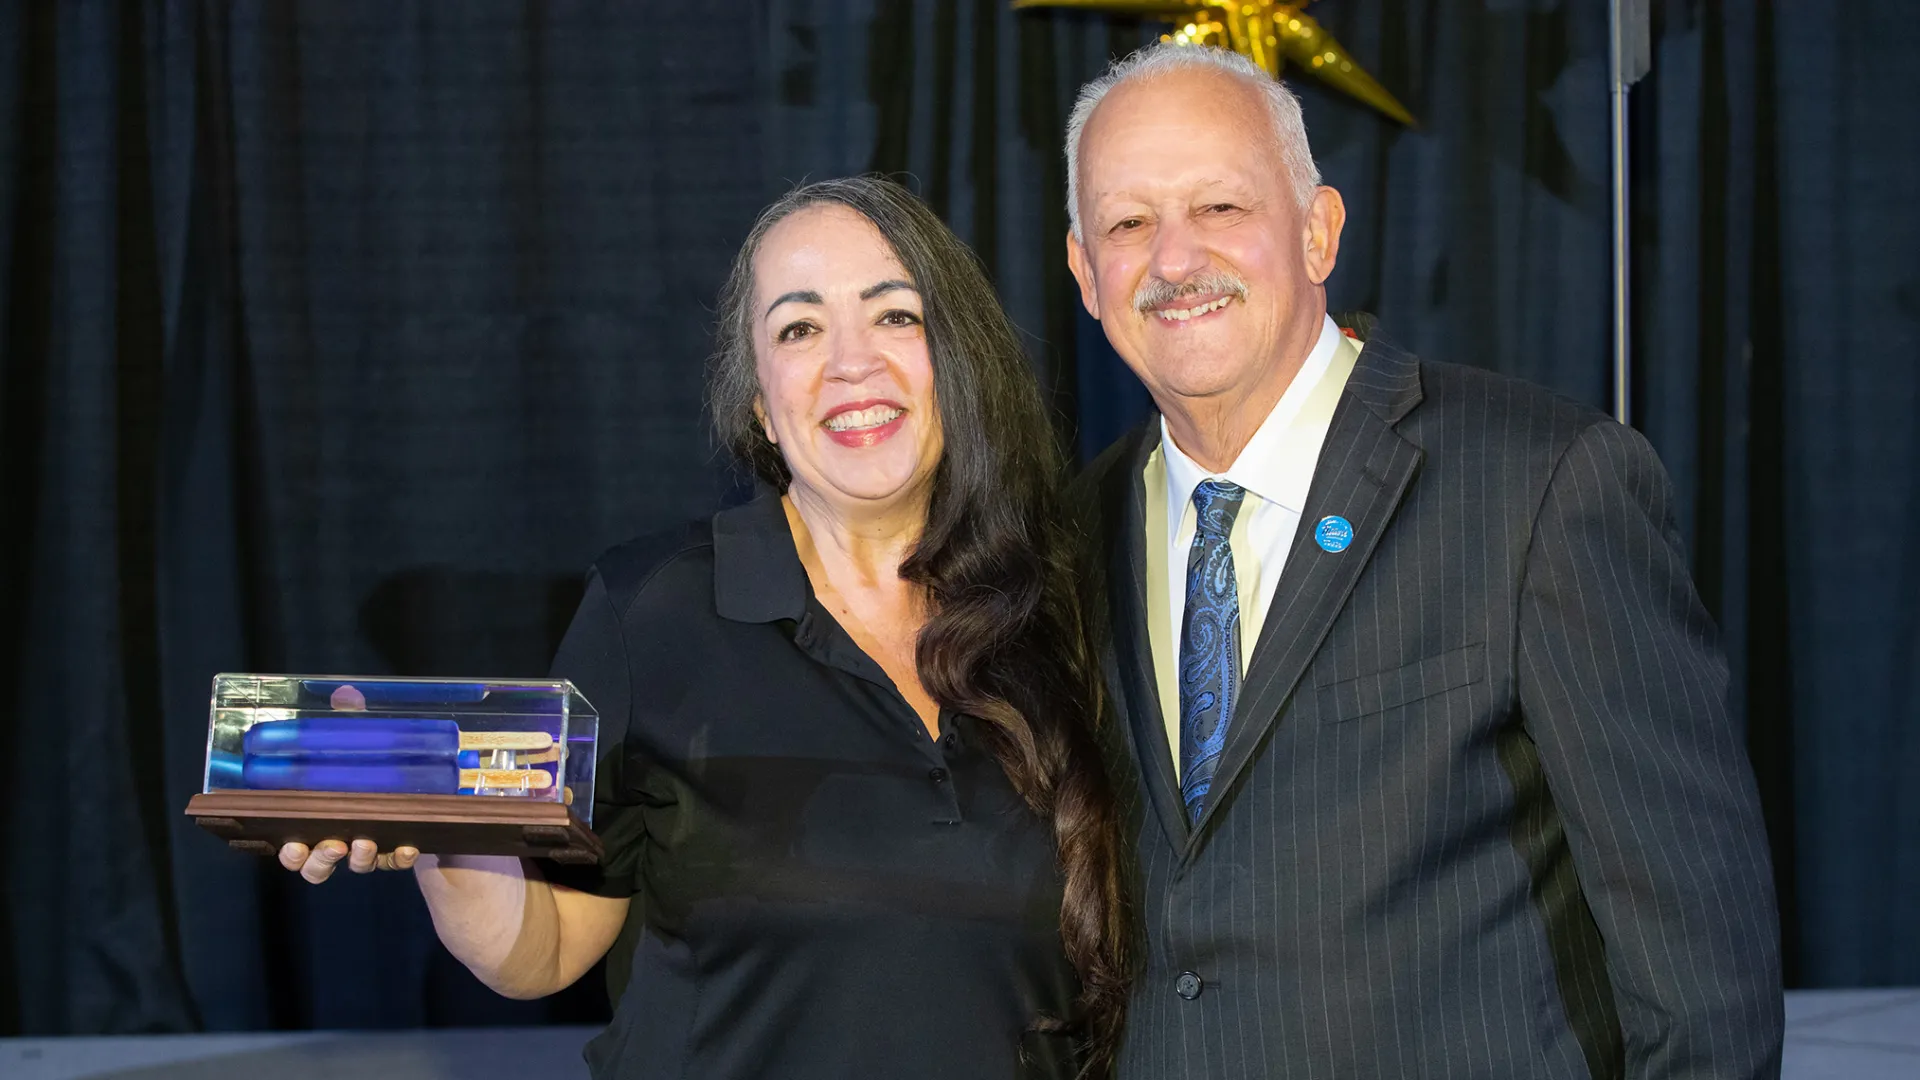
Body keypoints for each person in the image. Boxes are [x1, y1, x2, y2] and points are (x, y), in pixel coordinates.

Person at [279, 176, 1130, 1080]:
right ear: (762, 402)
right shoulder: (653, 608)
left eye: (894, 316)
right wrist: (455, 841)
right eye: (799, 329)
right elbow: (546, 952)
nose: (851, 362)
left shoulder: (1070, 603)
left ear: (959, 361)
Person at [1062, 43, 1783, 1078]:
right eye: (1128, 223)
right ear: (1087, 275)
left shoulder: (1540, 488)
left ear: (1318, 232)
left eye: (1220, 208)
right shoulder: (1069, 539)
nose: (1174, 261)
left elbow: (1703, 981)